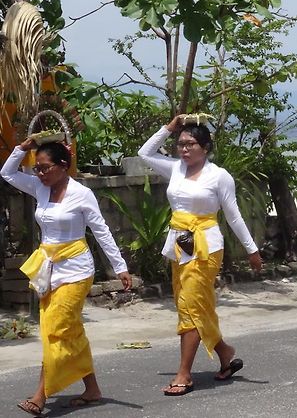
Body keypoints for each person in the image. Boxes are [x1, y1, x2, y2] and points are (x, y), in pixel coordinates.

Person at [1, 139, 132, 416]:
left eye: (45, 168)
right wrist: (23, 148)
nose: (40, 174)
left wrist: (120, 267)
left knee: (56, 329)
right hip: (48, 269)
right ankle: (92, 388)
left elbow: (101, 231)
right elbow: (7, 173)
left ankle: (41, 393)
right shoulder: (39, 187)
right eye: (36, 169)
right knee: (69, 330)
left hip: (77, 270)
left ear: (63, 166)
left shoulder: (82, 194)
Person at [138, 115, 262, 396]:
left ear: (205, 147)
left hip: (206, 245)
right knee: (194, 305)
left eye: (190, 143)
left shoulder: (219, 176)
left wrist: (251, 249)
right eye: (180, 143)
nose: (183, 148)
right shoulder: (175, 169)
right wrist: (169, 127)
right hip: (179, 244)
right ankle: (225, 352)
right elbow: (144, 153)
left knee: (190, 305)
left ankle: (185, 373)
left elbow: (233, 216)